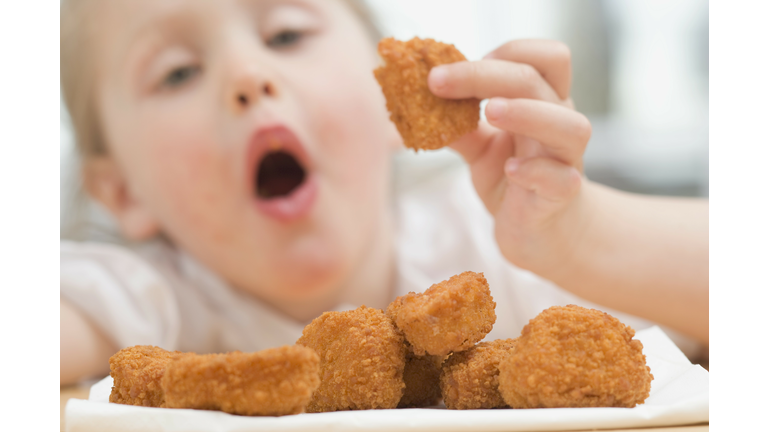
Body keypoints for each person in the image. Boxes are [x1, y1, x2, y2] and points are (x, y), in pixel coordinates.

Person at [60, 0, 708, 385]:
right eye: (177, 73)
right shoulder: (147, 299)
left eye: (286, 35)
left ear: (392, 104)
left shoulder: (487, 243)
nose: (247, 76)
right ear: (121, 192)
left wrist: (580, 240)